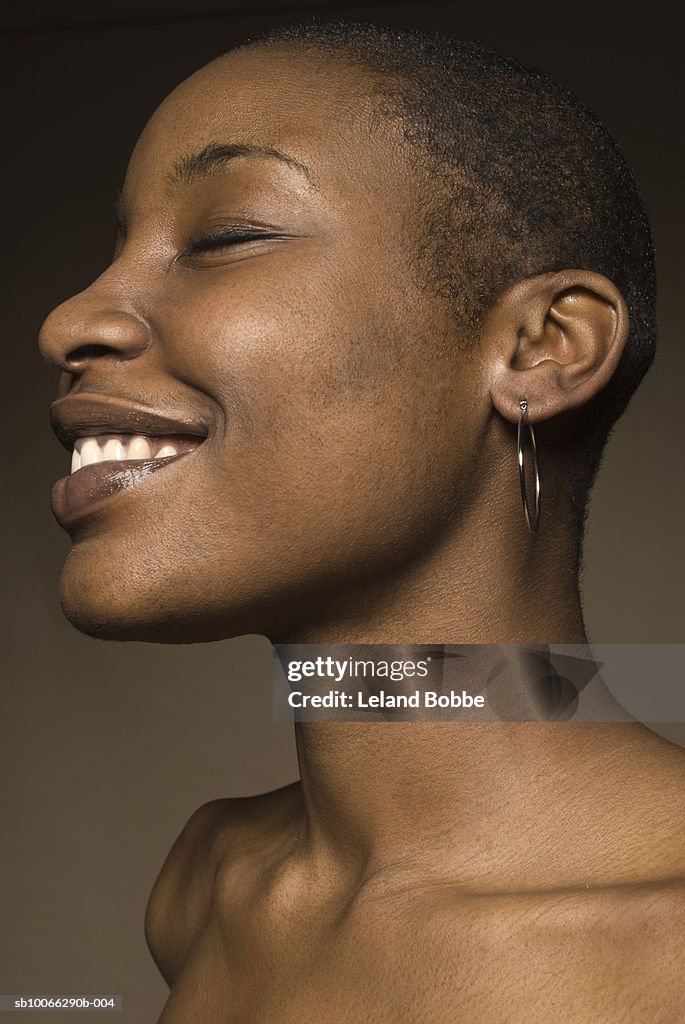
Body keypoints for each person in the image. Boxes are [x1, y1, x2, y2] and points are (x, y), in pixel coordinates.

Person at [38, 20, 684, 1023]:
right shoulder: (213, 891)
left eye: (224, 237)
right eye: (118, 248)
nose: (71, 321)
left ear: (541, 348)